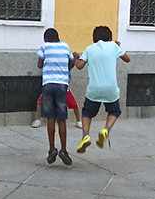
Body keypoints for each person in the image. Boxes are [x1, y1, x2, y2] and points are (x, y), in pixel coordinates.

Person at [73, 26, 130, 153]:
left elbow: (79, 66)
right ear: (110, 38)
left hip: (94, 89)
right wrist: (117, 47)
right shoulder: (113, 47)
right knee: (114, 111)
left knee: (87, 112)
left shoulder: (89, 48)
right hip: (111, 89)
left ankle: (85, 136)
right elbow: (127, 59)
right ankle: (106, 131)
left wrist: (76, 57)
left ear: (94, 38)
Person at [36, 28, 74, 166]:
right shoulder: (65, 45)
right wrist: (65, 69)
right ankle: (63, 150)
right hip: (62, 85)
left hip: (48, 85)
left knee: (50, 118)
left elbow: (39, 64)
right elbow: (72, 62)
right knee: (61, 119)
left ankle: (52, 149)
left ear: (45, 38)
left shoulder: (45, 47)